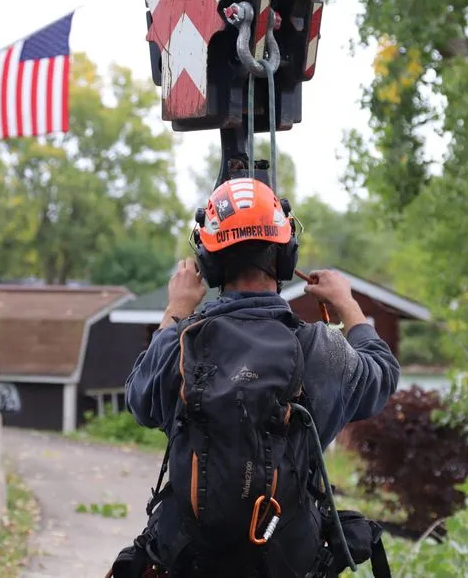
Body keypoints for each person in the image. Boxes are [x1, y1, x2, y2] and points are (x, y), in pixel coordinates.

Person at [112, 178, 400, 578]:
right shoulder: (318, 348)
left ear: (209, 264)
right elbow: (383, 375)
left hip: (193, 563)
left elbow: (139, 397)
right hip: (287, 562)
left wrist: (176, 308)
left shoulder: (181, 342)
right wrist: (347, 305)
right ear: (285, 256)